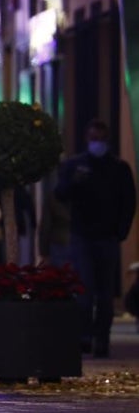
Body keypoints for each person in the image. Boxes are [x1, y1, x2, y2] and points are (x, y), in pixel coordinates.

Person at [54, 119, 137, 358]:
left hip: (107, 237)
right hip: (83, 236)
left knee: (105, 292)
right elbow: (60, 194)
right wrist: (74, 181)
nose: (97, 144)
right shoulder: (76, 166)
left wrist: (121, 231)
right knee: (84, 289)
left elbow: (128, 201)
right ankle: (85, 336)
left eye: (100, 139)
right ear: (86, 140)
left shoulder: (118, 168)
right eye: (93, 139)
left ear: (107, 140)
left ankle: (102, 338)